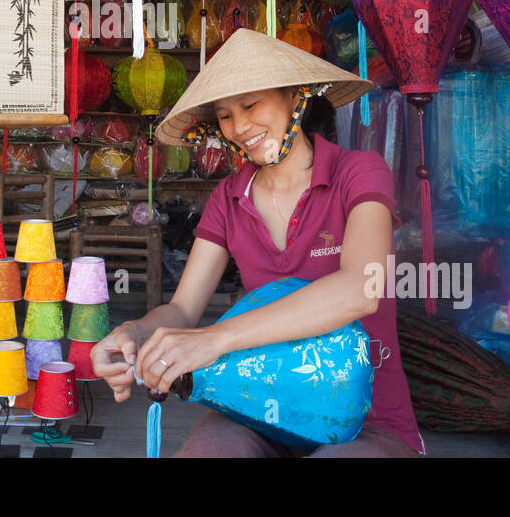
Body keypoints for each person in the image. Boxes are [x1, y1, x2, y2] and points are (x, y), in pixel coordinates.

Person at [91, 29, 424, 457]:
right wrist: (132, 333)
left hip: (368, 420)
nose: (239, 127)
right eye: (225, 115)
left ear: (295, 97)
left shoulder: (358, 173)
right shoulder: (228, 199)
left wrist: (215, 339)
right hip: (256, 411)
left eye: (251, 105)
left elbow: (360, 289)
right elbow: (182, 309)